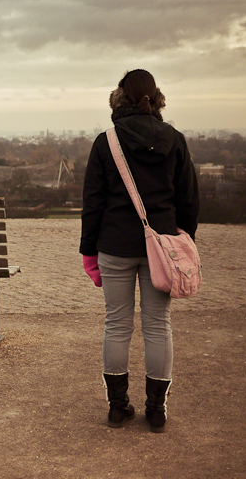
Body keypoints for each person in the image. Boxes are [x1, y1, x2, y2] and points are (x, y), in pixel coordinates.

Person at [80, 69, 199, 433]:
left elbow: (93, 203)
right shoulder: (175, 140)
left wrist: (89, 253)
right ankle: (156, 410)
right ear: (156, 98)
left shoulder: (107, 142)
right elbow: (189, 200)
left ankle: (118, 408)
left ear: (119, 98)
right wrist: (181, 241)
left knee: (116, 325)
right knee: (158, 326)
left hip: (114, 245)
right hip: (162, 248)